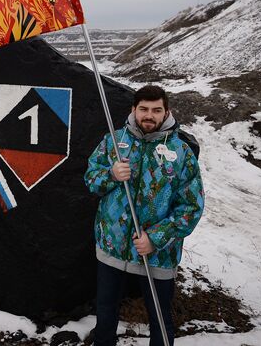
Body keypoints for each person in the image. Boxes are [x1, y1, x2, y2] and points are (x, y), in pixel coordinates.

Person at [84, 85, 205, 346]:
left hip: (158, 256)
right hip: (112, 247)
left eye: (156, 110)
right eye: (144, 109)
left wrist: (156, 238)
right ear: (134, 110)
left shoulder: (182, 153)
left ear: (166, 112)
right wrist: (112, 175)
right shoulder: (113, 142)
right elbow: (91, 180)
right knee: (105, 313)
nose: (149, 115)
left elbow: (191, 208)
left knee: (160, 320)